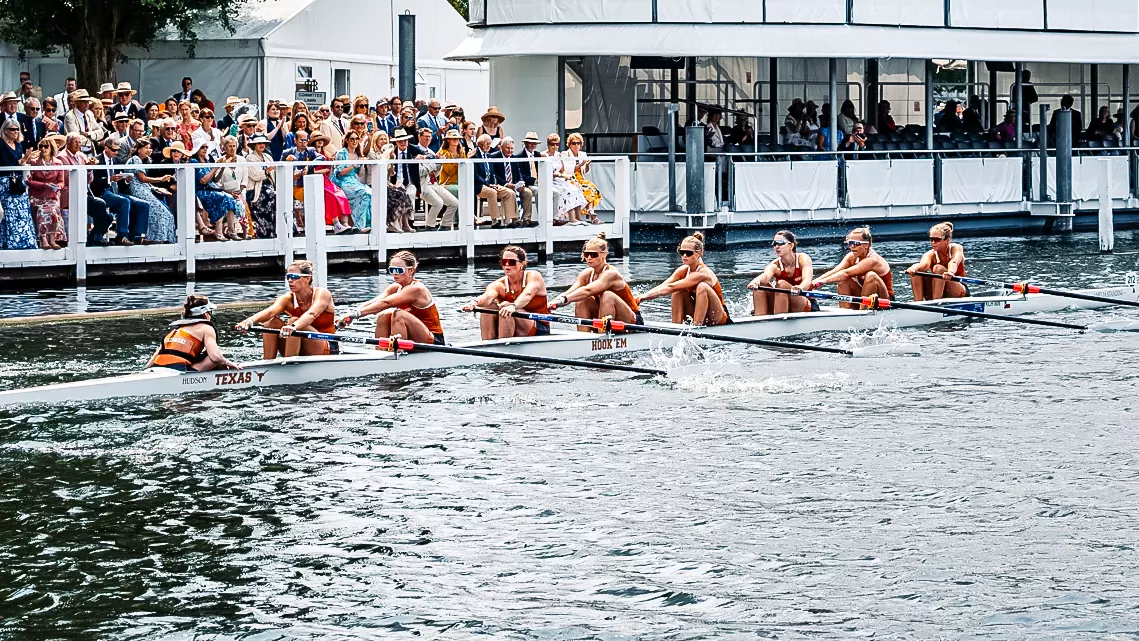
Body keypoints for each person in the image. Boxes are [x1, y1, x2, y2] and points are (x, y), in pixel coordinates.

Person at [338, 251, 446, 345]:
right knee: (384, 315)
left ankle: (397, 352)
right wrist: (350, 314)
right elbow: (375, 301)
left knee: (398, 315)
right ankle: (381, 351)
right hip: (414, 337)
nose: (394, 274)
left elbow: (386, 303)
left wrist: (356, 315)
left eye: (399, 270)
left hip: (433, 339)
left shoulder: (416, 289)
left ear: (411, 270)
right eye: (392, 270)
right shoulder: (395, 287)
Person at [235, 260, 338, 358]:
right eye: (288, 277)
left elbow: (311, 314)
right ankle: (267, 364)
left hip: (326, 345)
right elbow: (270, 311)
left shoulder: (322, 294)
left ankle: (289, 363)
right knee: (271, 323)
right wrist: (249, 321)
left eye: (294, 277)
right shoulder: (287, 298)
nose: (289, 280)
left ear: (307, 278)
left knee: (293, 320)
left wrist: (293, 326)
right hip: (297, 341)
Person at [636, 232, 730, 326]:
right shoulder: (683, 270)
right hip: (701, 313)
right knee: (678, 291)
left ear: (699, 253)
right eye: (682, 252)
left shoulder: (703, 273)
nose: (684, 256)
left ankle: (696, 328)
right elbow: (664, 285)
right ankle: (675, 328)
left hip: (718, 316)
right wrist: (641, 297)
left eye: (688, 253)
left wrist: (644, 297)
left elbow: (671, 287)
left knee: (702, 287)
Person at [549, 233, 642, 327]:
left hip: (632, 319)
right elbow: (568, 294)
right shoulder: (586, 274)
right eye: (586, 254)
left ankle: (601, 335)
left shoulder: (611, 274)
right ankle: (585, 336)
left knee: (607, 295)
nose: (589, 258)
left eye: (593, 254)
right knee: (581, 299)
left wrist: (564, 300)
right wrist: (551, 303)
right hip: (606, 316)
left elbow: (587, 290)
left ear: (604, 255)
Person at [461, 246, 550, 339]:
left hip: (539, 326)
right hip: (513, 322)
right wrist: (475, 302)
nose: (507, 266)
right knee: (489, 307)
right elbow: (487, 297)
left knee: (505, 305)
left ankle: (503, 346)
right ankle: (488, 344)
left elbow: (527, 295)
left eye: (511, 262)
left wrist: (513, 306)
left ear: (522, 264)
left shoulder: (534, 276)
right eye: (504, 262)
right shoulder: (499, 285)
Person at [146, 295, 240, 371]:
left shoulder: (176, 329)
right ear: (206, 313)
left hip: (156, 368)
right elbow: (215, 357)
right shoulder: (206, 328)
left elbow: (149, 364)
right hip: (178, 370)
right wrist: (227, 362)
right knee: (217, 354)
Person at [812, 226, 894, 308]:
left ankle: (863, 312)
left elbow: (846, 273)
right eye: (850, 243)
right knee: (843, 280)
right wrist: (813, 282)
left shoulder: (873, 260)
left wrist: (822, 282)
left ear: (866, 245)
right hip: (867, 297)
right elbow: (836, 271)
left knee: (871, 276)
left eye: (856, 243)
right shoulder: (851, 256)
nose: (852, 246)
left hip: (885, 300)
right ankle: (845, 312)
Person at [91, 136, 150, 245]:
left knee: (143, 204)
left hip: (116, 191)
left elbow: (120, 183)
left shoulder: (116, 160)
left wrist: (126, 180)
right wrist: (109, 179)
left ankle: (137, 236)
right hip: (102, 192)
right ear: (106, 148)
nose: (116, 152)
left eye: (118, 150)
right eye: (114, 150)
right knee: (124, 201)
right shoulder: (97, 160)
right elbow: (93, 182)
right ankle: (122, 235)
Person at [748, 230, 815, 315]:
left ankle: (779, 319)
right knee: (760, 287)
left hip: (804, 301)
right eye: (774, 243)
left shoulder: (803, 258)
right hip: (782, 302)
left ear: (791, 246)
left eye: (780, 243)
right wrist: (755, 282)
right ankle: (760, 319)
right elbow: (765, 276)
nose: (776, 246)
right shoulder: (774, 265)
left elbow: (807, 280)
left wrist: (800, 287)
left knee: (782, 284)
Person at [124, 138, 177, 244]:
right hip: (138, 191)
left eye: (149, 148)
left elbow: (144, 182)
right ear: (139, 150)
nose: (149, 150)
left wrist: (156, 188)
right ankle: (155, 238)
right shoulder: (136, 159)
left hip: (144, 189)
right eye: (146, 148)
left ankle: (162, 238)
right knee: (161, 212)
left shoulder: (140, 160)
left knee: (167, 212)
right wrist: (161, 179)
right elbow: (142, 178)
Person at [191, 139, 242, 241]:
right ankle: (219, 232)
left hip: (211, 189)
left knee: (230, 198)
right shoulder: (194, 161)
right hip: (200, 192)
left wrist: (222, 167)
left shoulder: (207, 160)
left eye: (206, 147)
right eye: (202, 147)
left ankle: (231, 230)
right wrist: (215, 167)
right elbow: (203, 180)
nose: (205, 149)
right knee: (222, 198)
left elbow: (215, 179)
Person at [905, 222, 968, 301]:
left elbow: (954, 262)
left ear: (947, 241)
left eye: (937, 240)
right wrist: (913, 268)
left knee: (938, 268)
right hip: (938, 288)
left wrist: (950, 272)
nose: (933, 243)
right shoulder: (929, 254)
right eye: (932, 239)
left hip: (958, 290)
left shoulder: (956, 248)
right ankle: (918, 302)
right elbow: (923, 265)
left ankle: (936, 301)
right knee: (917, 272)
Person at [309, 132, 357, 235]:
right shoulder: (310, 153)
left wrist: (330, 166)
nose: (320, 141)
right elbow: (310, 170)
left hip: (326, 180)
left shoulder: (325, 153)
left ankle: (345, 223)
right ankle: (336, 224)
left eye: (322, 139)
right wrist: (324, 170)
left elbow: (329, 173)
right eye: (318, 139)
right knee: (331, 196)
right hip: (315, 180)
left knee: (340, 193)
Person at [26, 136, 67, 249]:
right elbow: (29, 181)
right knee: (42, 211)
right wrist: (44, 185)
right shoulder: (34, 162)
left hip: (51, 197)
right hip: (37, 196)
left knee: (53, 212)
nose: (43, 149)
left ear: (51, 148)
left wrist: (57, 186)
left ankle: (52, 239)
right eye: (41, 146)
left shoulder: (58, 163)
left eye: (46, 146)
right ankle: (43, 239)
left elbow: (61, 182)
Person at [332, 129, 372, 232]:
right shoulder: (341, 153)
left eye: (357, 139)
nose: (354, 141)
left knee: (370, 193)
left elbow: (360, 174)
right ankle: (359, 226)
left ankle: (367, 224)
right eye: (352, 139)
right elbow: (340, 173)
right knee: (364, 193)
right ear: (347, 140)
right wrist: (354, 164)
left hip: (353, 181)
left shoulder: (357, 154)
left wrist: (362, 163)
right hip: (341, 182)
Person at [472, 133, 515, 227]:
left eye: (489, 144)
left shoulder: (488, 156)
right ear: (480, 144)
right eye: (486, 144)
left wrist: (494, 183)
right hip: (479, 185)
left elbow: (492, 173)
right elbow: (475, 175)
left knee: (509, 192)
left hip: (490, 184)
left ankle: (509, 221)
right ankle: (495, 221)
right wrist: (488, 184)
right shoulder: (474, 155)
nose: (488, 146)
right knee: (492, 192)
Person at [542, 132, 586, 224]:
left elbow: (562, 170)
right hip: (549, 180)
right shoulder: (544, 155)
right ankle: (571, 218)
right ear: (548, 144)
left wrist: (566, 175)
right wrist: (560, 175)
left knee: (575, 189)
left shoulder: (558, 155)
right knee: (567, 191)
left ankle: (579, 218)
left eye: (557, 144)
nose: (555, 146)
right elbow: (547, 172)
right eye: (552, 144)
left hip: (560, 180)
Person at [562, 132, 601, 224]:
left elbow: (585, 171)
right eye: (574, 143)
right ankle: (581, 216)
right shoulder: (565, 154)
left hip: (579, 177)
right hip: (569, 177)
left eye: (578, 143)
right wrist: (582, 163)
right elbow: (569, 169)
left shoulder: (582, 154)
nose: (576, 145)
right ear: (569, 144)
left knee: (591, 188)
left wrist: (587, 165)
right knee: (579, 189)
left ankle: (590, 210)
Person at [245, 134, 277, 239]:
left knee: (278, 197)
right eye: (259, 143)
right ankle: (263, 233)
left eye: (263, 143)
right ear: (254, 145)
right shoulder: (250, 158)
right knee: (270, 196)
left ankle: (276, 232)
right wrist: (268, 170)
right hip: (257, 189)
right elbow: (255, 175)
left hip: (269, 186)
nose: (262, 145)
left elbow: (274, 173)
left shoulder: (268, 157)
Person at [498, 137, 534, 227]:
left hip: (514, 185)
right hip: (502, 185)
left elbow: (519, 173)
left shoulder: (514, 158)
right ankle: (515, 220)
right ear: (501, 147)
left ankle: (526, 218)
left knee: (527, 192)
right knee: (511, 193)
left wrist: (521, 183)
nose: (510, 151)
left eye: (512, 148)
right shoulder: (495, 157)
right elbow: (494, 175)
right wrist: (506, 184)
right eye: (507, 148)